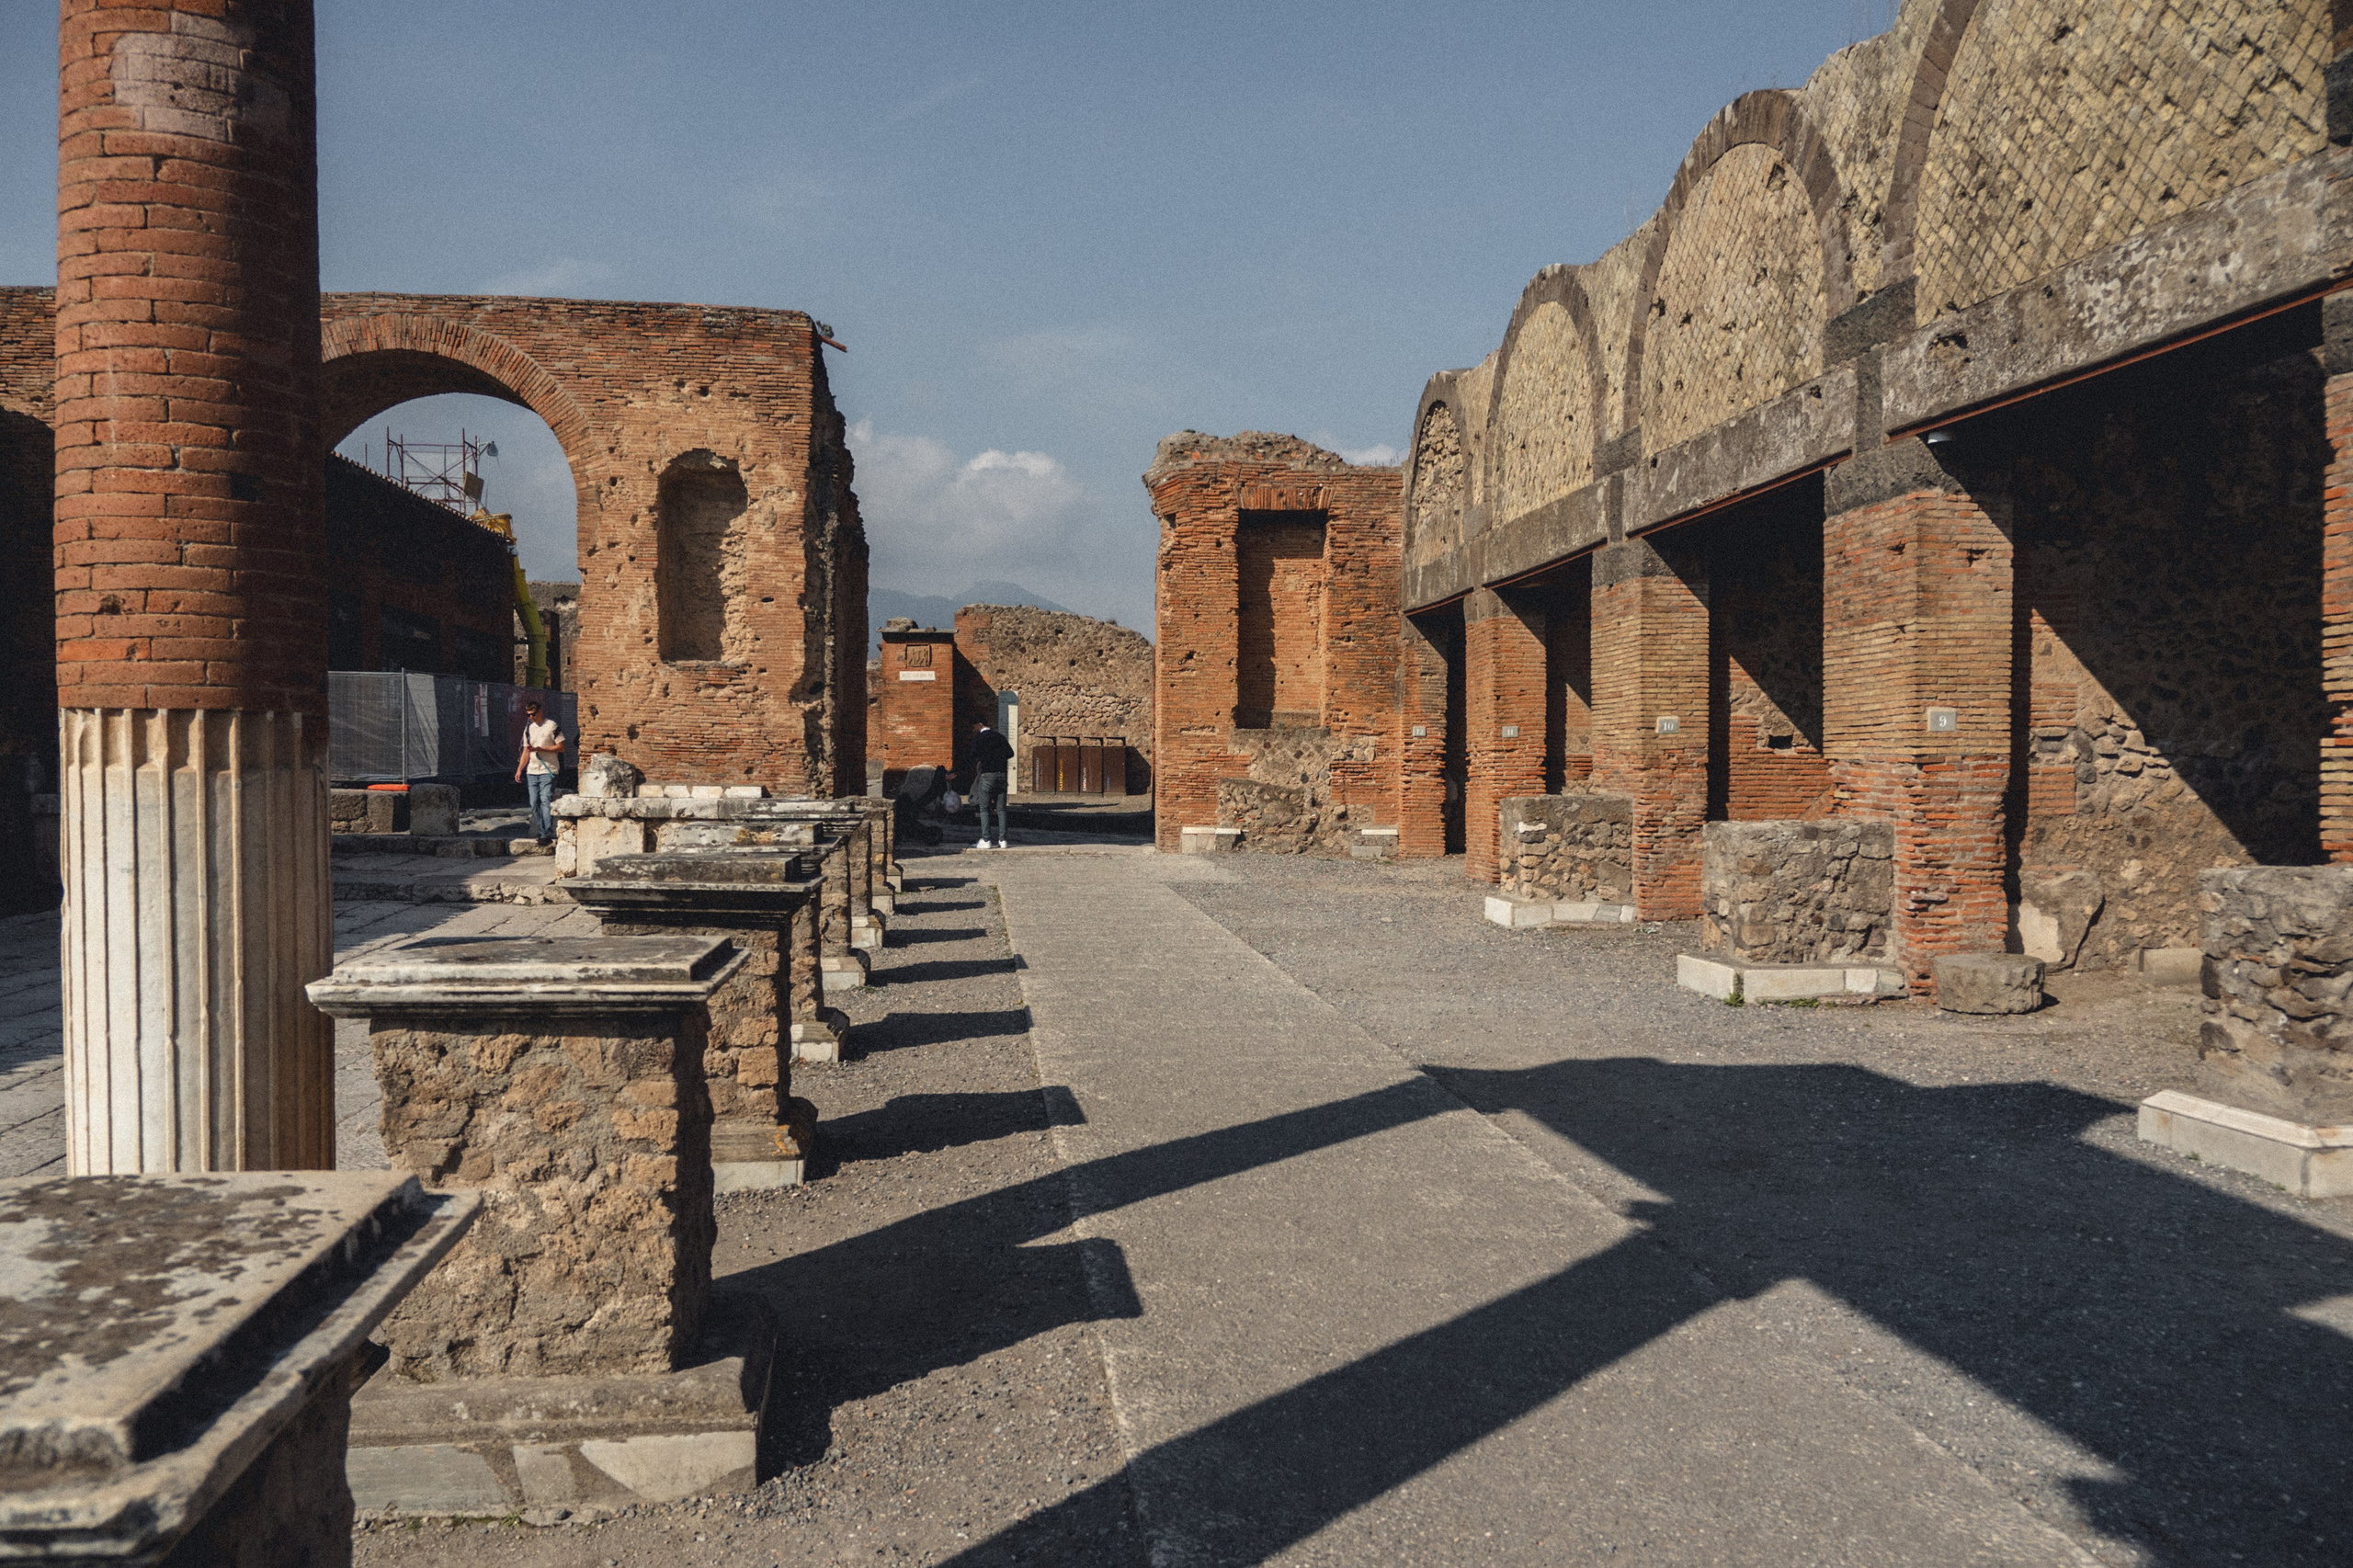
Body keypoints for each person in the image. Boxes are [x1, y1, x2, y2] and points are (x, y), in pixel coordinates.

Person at [515, 699, 566, 845]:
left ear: (540, 712)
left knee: (545, 800)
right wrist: (520, 769)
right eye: (528, 715)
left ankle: (546, 833)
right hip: (532, 770)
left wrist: (541, 749)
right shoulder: (529, 729)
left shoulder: (552, 726)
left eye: (533, 714)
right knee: (534, 802)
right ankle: (542, 829)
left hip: (548, 769)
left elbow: (561, 747)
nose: (531, 717)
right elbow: (526, 750)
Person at [962, 717, 1015, 849]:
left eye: (974, 727)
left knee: (984, 809)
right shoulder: (1000, 737)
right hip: (1002, 775)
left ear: (980, 724)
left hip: (987, 776)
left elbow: (971, 756)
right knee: (1002, 809)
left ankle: (986, 839)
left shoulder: (979, 739)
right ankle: (1003, 840)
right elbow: (1010, 753)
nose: (973, 730)